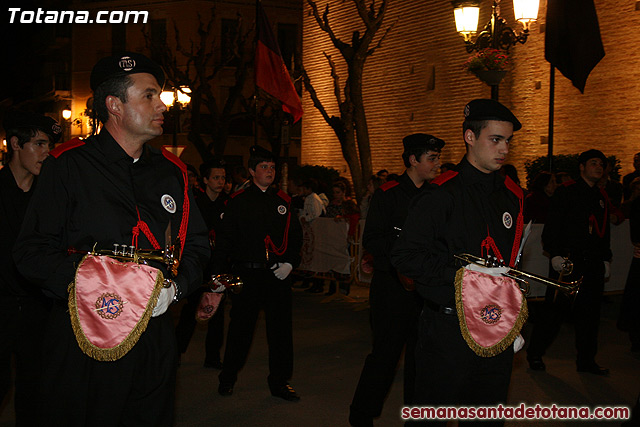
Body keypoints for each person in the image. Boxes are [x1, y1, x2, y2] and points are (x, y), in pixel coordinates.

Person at [13, 52, 209, 425]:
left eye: (160, 95)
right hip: (83, 332)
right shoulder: (68, 165)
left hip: (154, 330)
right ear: (114, 105)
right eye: (149, 95)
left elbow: (197, 245)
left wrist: (177, 289)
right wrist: (100, 284)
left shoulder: (172, 171)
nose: (161, 105)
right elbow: (30, 252)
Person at [392, 99, 524, 425]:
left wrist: (514, 310)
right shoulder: (441, 194)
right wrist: (465, 278)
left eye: (508, 140)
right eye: (495, 139)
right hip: (448, 328)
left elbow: (512, 261)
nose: (504, 148)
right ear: (469, 137)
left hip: (495, 326)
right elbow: (405, 256)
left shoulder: (511, 194)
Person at [349, 133, 445, 427]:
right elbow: (373, 240)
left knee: (422, 357)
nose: (437, 164)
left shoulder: (437, 195)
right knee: (385, 355)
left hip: (425, 289)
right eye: (432, 158)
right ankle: (362, 414)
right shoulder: (387, 194)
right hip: (392, 287)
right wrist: (405, 252)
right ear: (413, 160)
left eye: (438, 158)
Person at [214, 145, 303, 401]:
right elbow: (225, 240)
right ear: (252, 171)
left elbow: (295, 238)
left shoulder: (283, 201)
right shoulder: (238, 202)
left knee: (281, 333)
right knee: (240, 330)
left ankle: (280, 381)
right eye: (264, 167)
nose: (269, 171)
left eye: (273, 167)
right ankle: (228, 377)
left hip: (277, 276)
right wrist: (218, 275)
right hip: (248, 275)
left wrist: (290, 264)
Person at [527, 149, 613, 375]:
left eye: (601, 164)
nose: (598, 167)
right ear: (582, 167)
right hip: (568, 262)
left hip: (592, 263)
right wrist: (554, 253)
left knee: (591, 316)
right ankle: (535, 354)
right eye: (593, 163)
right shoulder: (567, 192)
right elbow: (553, 225)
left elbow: (603, 233)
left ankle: (586, 361)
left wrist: (606, 258)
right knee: (554, 312)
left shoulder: (601, 196)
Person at [0, 110, 60, 426]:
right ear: (14, 144)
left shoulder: (50, 196)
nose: (46, 152)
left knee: (36, 393)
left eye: (48, 144)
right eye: (38, 143)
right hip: (2, 307)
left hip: (39, 310)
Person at [175, 159, 229, 369]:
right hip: (198, 264)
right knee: (191, 311)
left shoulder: (227, 203)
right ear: (205, 180)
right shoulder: (195, 202)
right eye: (216, 177)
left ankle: (213, 357)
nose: (220, 182)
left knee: (217, 311)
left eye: (223, 178)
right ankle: (177, 350)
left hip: (219, 265)